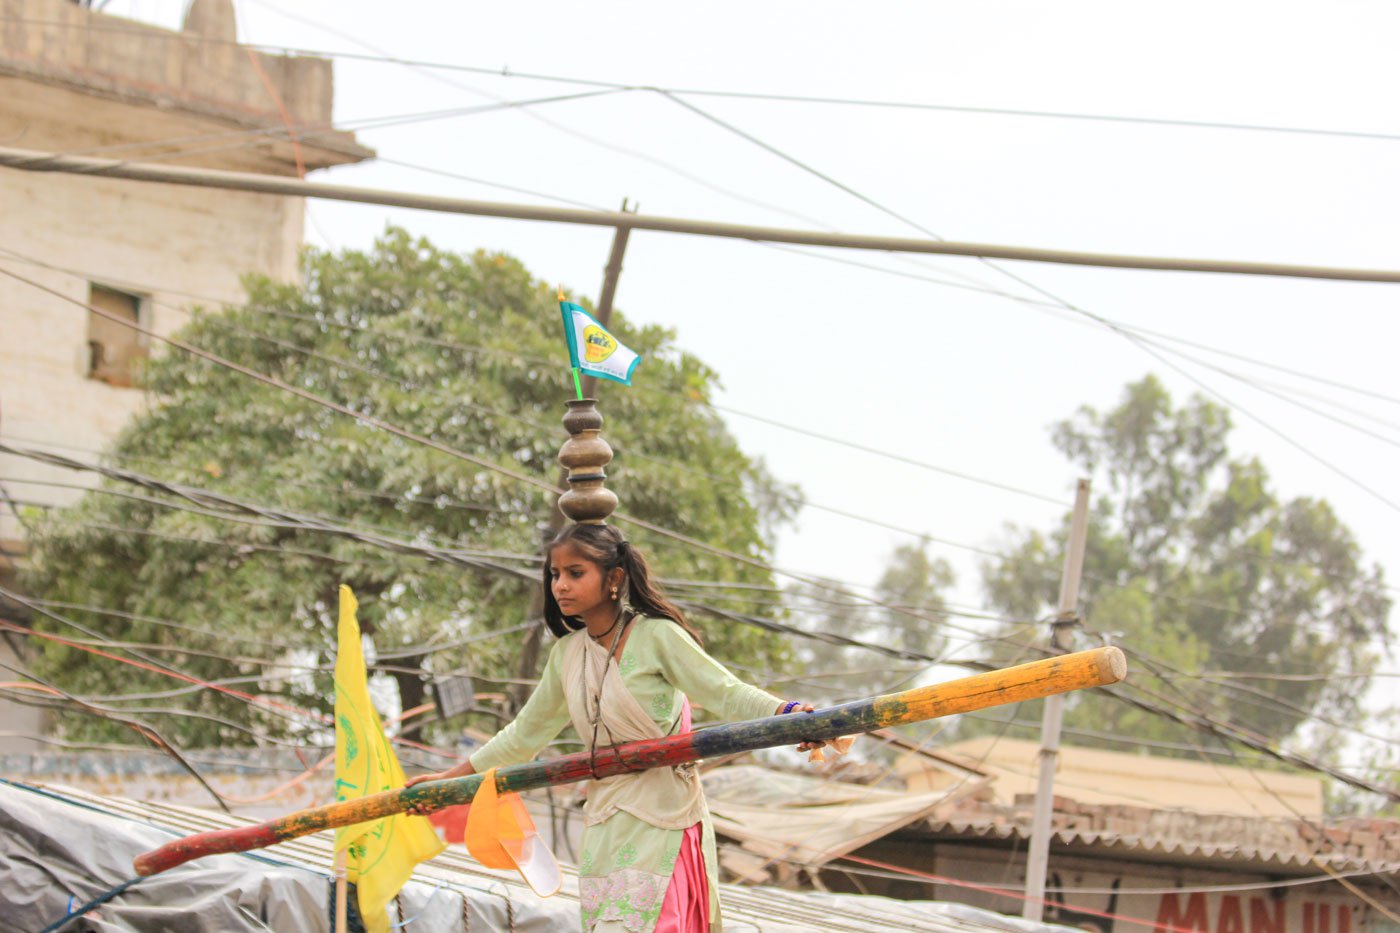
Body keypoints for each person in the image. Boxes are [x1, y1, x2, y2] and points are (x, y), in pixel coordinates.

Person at [405, 522, 822, 933]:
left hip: (664, 815)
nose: (560, 586)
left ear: (614, 578)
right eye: (554, 574)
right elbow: (523, 735)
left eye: (575, 573)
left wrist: (789, 715)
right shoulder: (567, 654)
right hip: (605, 820)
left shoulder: (658, 635)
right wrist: (447, 782)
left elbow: (725, 692)